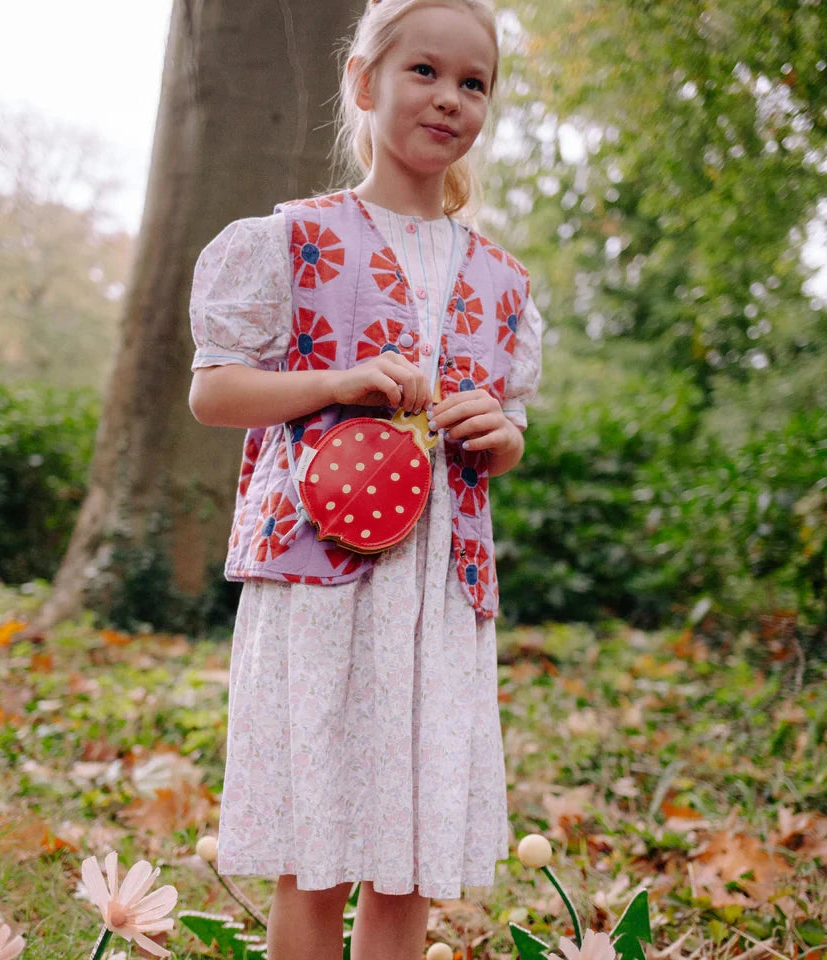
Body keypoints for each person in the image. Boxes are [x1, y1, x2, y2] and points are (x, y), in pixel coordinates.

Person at [188, 0, 543, 957]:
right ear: (363, 81)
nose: (449, 99)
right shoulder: (291, 243)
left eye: (474, 83)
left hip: (439, 595)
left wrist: (496, 434)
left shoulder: (502, 282)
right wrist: (338, 382)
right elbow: (215, 393)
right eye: (424, 71)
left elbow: (508, 437)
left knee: (410, 859)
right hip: (324, 587)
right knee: (320, 849)